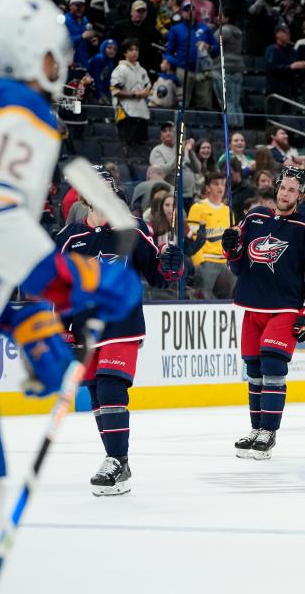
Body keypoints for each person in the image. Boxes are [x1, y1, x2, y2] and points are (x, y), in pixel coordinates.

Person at [0, 0, 141, 592]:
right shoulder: (17, 106)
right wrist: (75, 279)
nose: (62, 63)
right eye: (55, 54)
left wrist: (22, 322)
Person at [56, 166, 182, 494]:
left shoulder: (133, 229)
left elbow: (158, 275)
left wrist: (172, 263)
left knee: (112, 388)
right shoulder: (68, 237)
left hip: (122, 325)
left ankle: (115, 460)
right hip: (84, 330)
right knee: (97, 393)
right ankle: (119, 463)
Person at [223, 167, 305, 460]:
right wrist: (232, 250)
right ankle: (256, 429)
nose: (285, 194)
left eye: (292, 190)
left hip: (286, 308)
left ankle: (269, 432)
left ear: (301, 195)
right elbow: (238, 267)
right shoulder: (254, 217)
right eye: (282, 187)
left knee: (273, 367)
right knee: (254, 371)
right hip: (253, 305)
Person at [187, 172, 234, 299]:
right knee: (202, 299)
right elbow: (193, 238)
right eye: (216, 184)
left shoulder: (228, 210)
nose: (220, 187)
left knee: (228, 301)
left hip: (226, 262)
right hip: (206, 261)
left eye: (223, 184)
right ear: (207, 187)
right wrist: (198, 262)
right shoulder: (198, 208)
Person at [110, 38, 152, 148]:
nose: (135, 52)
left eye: (136, 50)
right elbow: (114, 91)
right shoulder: (120, 69)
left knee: (142, 146)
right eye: (131, 50)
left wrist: (146, 92)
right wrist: (134, 94)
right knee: (128, 146)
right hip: (126, 114)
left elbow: (148, 88)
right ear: (125, 53)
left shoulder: (142, 71)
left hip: (142, 114)